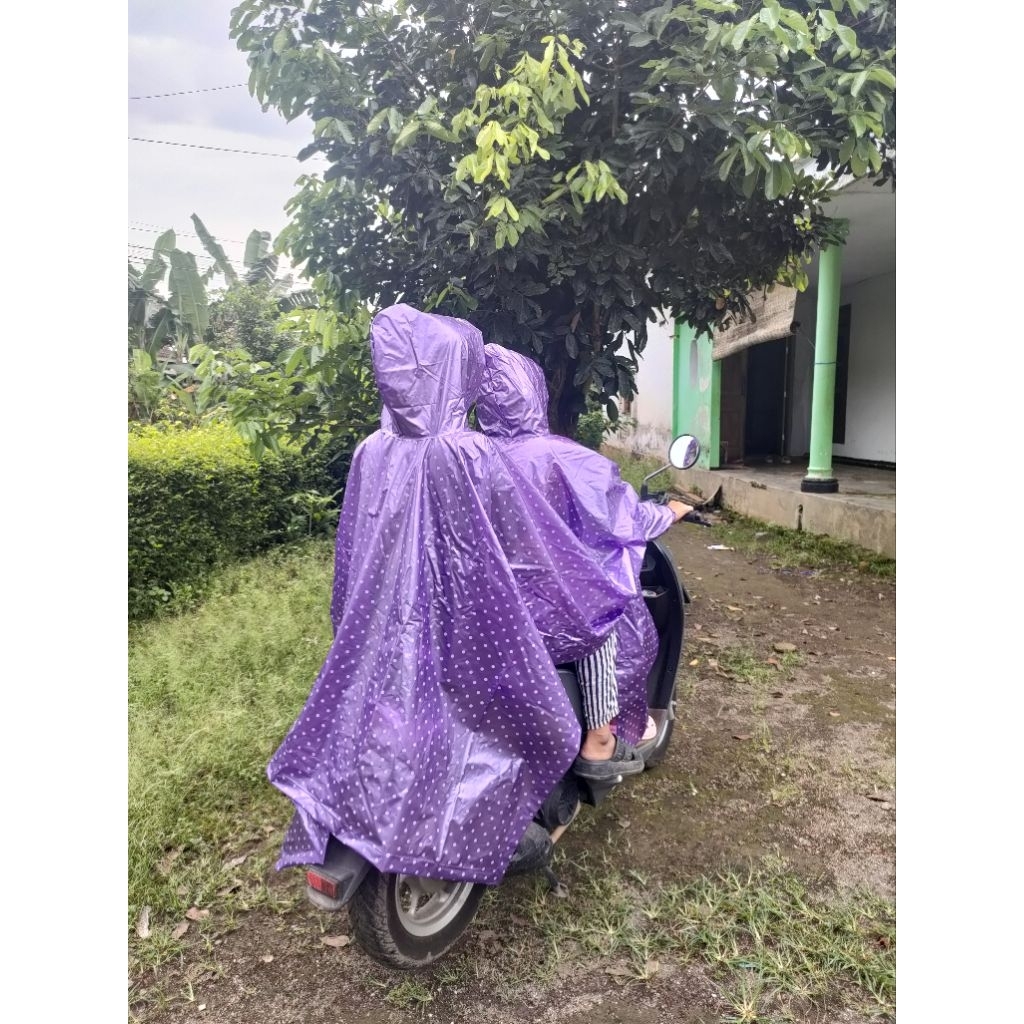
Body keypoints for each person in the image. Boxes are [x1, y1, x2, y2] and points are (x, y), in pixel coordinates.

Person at [268, 304, 635, 885]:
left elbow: (353, 544)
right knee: (552, 672)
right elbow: (522, 537)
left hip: (383, 619)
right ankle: (557, 771)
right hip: (461, 617)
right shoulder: (467, 451)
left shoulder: (372, 449)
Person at [475, 344, 693, 781]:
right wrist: (668, 513)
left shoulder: (469, 458)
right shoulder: (563, 457)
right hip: (550, 606)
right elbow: (619, 516)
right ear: (533, 393)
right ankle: (600, 738)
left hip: (492, 608)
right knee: (604, 624)